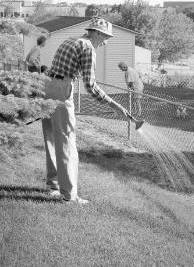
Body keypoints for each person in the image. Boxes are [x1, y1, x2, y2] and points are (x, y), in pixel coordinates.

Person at [42, 17, 131, 204]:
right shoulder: (88, 47)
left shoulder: (70, 40)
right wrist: (114, 105)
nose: (106, 42)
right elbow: (90, 86)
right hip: (62, 88)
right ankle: (69, 196)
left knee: (51, 137)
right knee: (67, 141)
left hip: (47, 85)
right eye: (106, 37)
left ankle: (54, 185)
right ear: (97, 33)